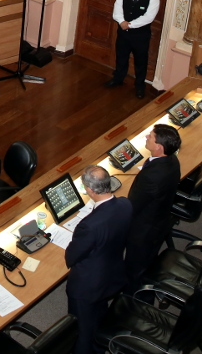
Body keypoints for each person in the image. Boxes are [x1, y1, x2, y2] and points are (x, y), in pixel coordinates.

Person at [66, 166, 133, 354]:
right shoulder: (125, 205)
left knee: (82, 330)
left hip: (87, 286)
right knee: (99, 316)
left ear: (90, 191)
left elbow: (71, 257)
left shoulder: (89, 226)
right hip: (112, 274)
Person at [124, 124, 181, 285]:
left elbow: (133, 206)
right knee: (146, 262)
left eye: (151, 136)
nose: (146, 137)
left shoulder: (151, 178)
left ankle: (133, 301)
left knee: (135, 271)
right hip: (159, 220)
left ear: (159, 147)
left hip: (143, 231)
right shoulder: (172, 160)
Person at [106, 0, 161, 98]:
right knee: (121, 57)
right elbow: (117, 7)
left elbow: (148, 17)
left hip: (140, 36)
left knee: (140, 61)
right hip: (123, 33)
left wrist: (129, 24)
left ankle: (140, 86)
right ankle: (118, 79)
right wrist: (121, 21)